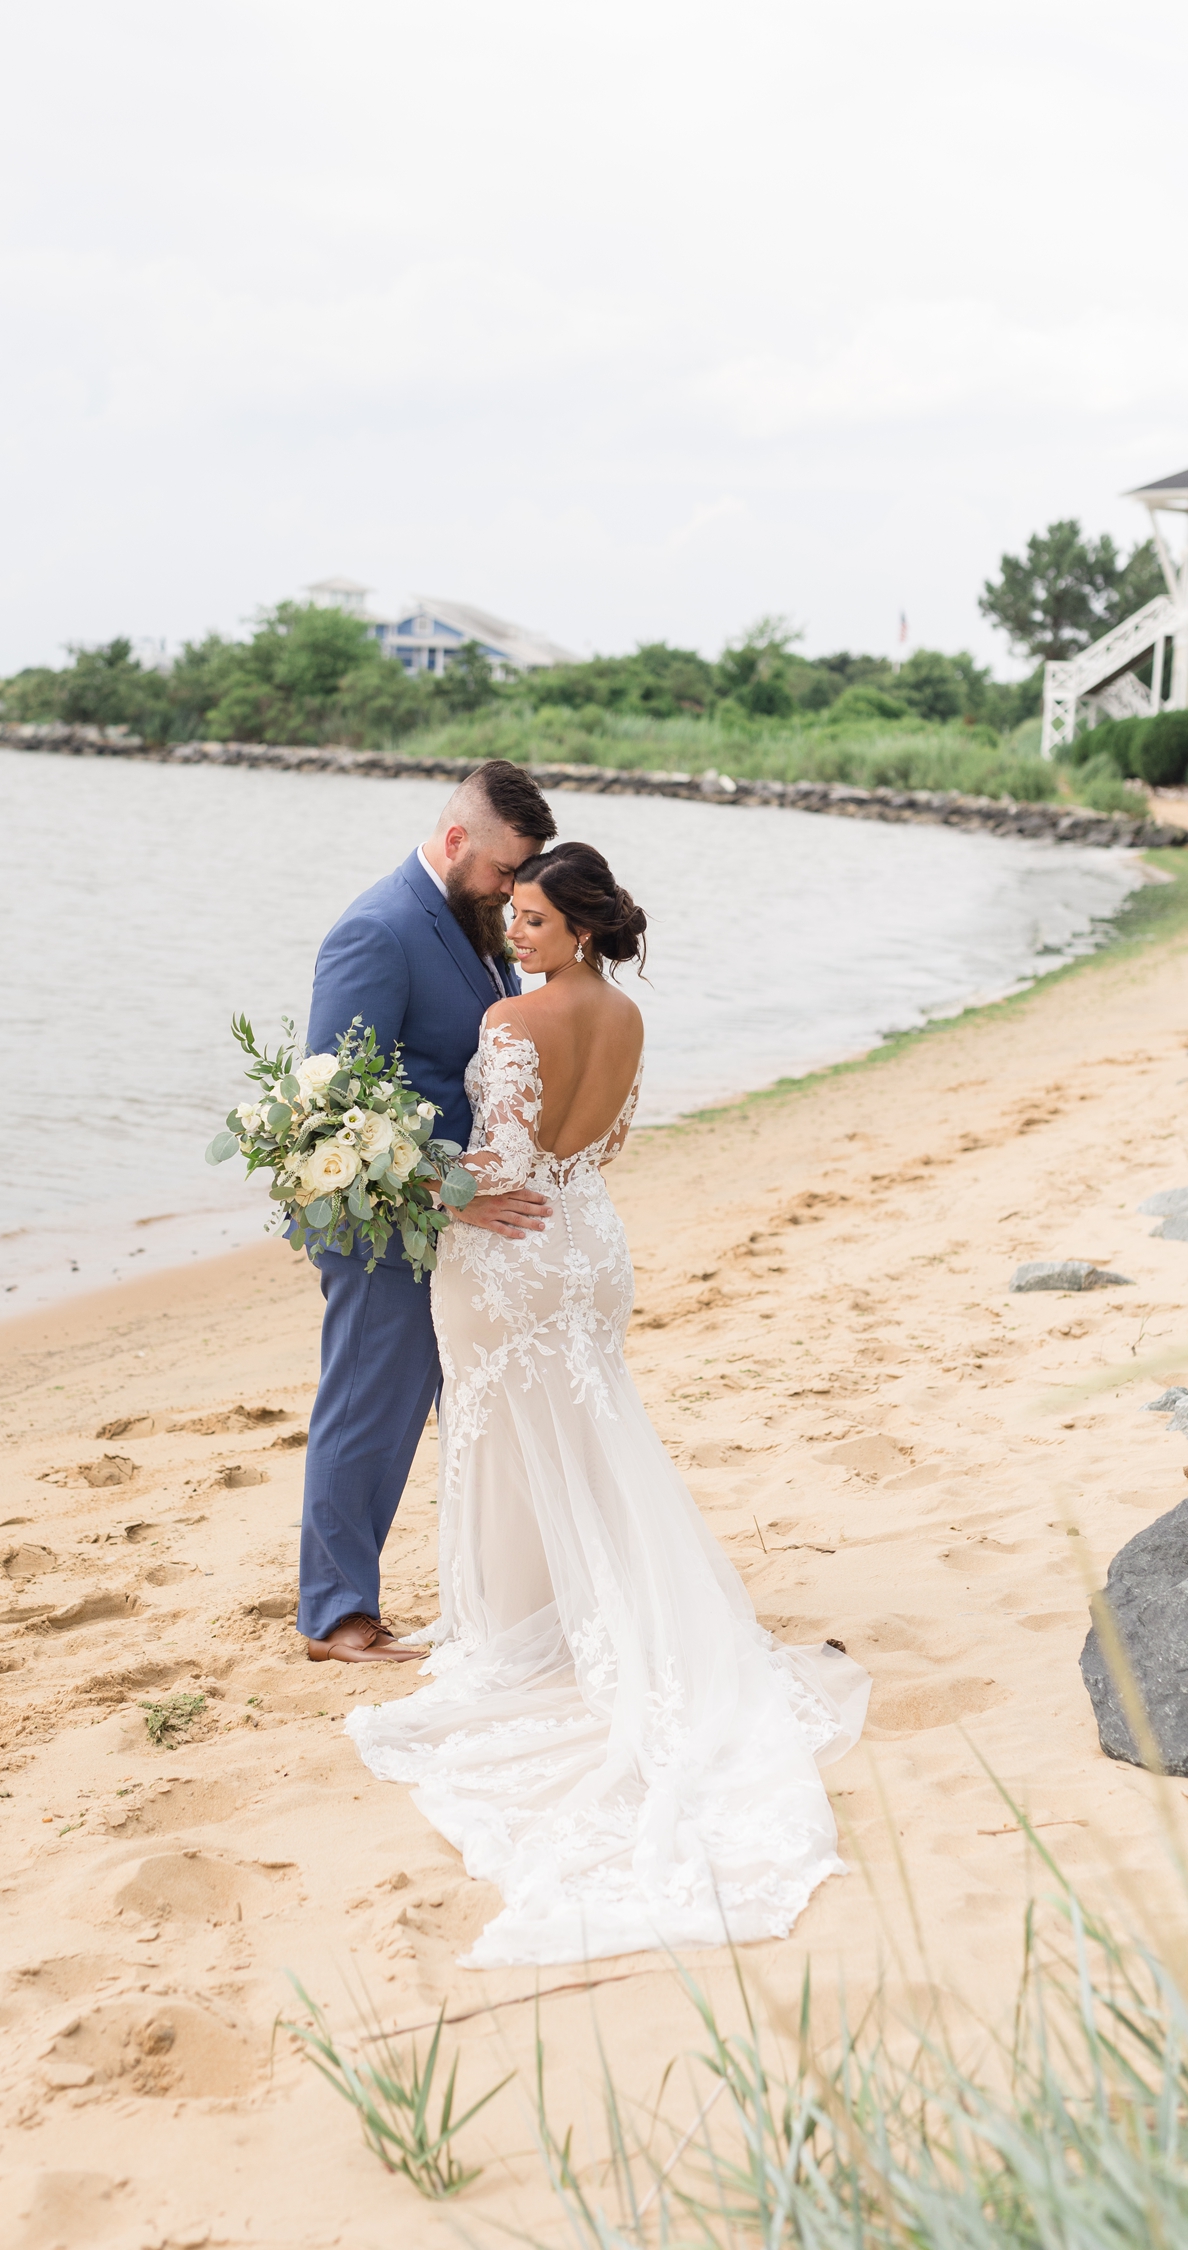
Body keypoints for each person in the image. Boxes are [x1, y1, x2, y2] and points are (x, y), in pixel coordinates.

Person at [347, 841, 871, 1965]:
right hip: (589, 1243)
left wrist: (405, 1178)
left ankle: (516, 1629)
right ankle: (568, 1607)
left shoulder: (509, 1026)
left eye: (532, 920)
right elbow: (605, 1145)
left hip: (510, 1249)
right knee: (585, 1426)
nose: (514, 935)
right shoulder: (626, 1019)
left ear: (578, 927)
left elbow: (494, 1166)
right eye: (515, 916)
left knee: (496, 1433)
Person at [297, 759, 557, 1665]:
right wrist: (456, 1192)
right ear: (457, 843)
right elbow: (335, 1107)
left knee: (473, 1414)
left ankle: (489, 1597)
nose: (511, 892)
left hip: (461, 1226)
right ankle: (335, 1617)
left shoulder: (477, 923)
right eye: (502, 872)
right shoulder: (377, 930)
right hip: (381, 1223)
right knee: (369, 1410)